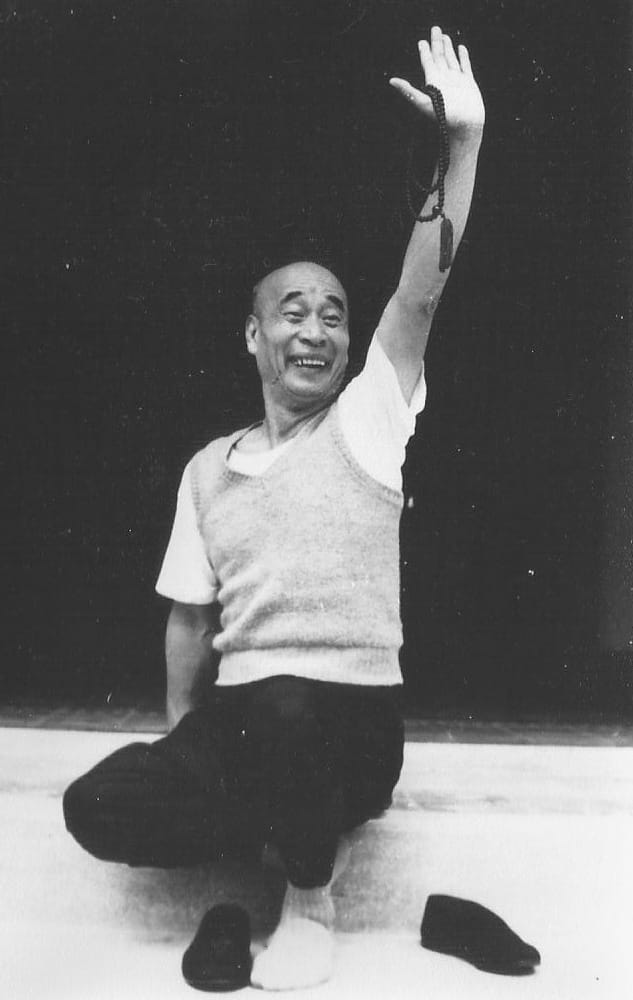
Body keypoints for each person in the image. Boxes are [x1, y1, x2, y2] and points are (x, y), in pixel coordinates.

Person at [63, 26, 485, 991]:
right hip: (248, 722)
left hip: (349, 725)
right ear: (253, 335)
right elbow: (189, 620)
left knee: (288, 710)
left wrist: (460, 146)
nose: (316, 330)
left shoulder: (368, 422)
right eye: (293, 312)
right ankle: (265, 848)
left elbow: (418, 296)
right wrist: (184, 741)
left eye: (333, 315)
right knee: (99, 802)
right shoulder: (206, 470)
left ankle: (308, 899)